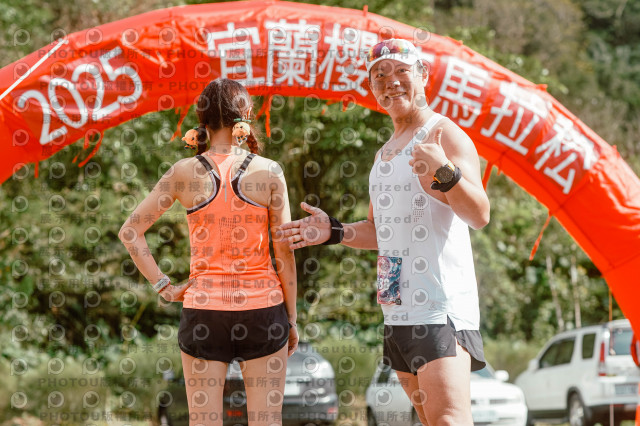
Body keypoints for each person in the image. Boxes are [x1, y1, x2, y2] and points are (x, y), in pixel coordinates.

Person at [278, 39, 490, 426]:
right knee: (429, 421)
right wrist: (334, 231)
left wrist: (444, 171)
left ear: (423, 75)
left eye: (401, 71)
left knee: (449, 420)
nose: (390, 81)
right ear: (371, 88)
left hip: (440, 307)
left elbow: (479, 214)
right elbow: (379, 231)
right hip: (397, 309)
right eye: (379, 75)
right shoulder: (384, 154)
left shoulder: (444, 134)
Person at [119, 78, 298, 426]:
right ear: (246, 115)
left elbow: (130, 232)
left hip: (203, 313)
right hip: (263, 310)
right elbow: (284, 254)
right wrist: (291, 318)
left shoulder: (182, 172)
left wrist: (165, 287)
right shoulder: (269, 171)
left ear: (202, 119)